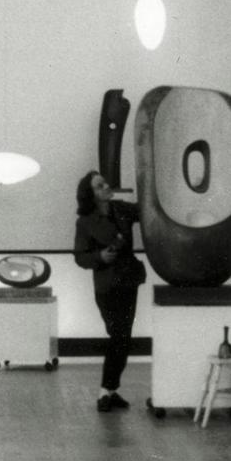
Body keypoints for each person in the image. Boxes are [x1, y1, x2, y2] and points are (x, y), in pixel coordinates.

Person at [72, 171, 145, 411]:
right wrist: (100, 256)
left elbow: (145, 210)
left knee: (122, 337)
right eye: (100, 185)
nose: (106, 186)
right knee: (119, 336)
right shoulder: (85, 221)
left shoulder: (122, 209)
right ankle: (106, 390)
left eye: (105, 182)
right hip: (107, 285)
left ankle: (110, 391)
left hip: (128, 281)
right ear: (91, 194)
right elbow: (80, 257)